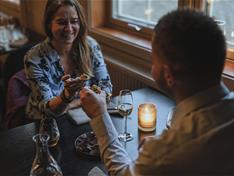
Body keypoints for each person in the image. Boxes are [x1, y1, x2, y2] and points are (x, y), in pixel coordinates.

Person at [79, 9, 234, 175]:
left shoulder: (170, 150)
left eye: (153, 60)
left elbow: (122, 173)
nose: (152, 66)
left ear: (168, 75)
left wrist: (99, 114)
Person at [24, 0, 112, 119]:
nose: (69, 29)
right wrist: (67, 96)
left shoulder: (91, 46)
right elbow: (48, 110)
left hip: (84, 116)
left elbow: (106, 87)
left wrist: (71, 105)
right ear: (49, 24)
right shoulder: (34, 57)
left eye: (74, 21)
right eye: (62, 22)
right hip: (44, 124)